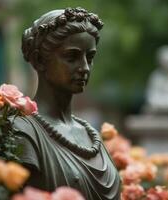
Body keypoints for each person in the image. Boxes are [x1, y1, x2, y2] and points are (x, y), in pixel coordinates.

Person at [14, 8, 120, 199]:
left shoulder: (91, 135)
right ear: (39, 60)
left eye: (90, 58)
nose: (85, 68)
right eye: (72, 57)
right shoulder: (22, 132)